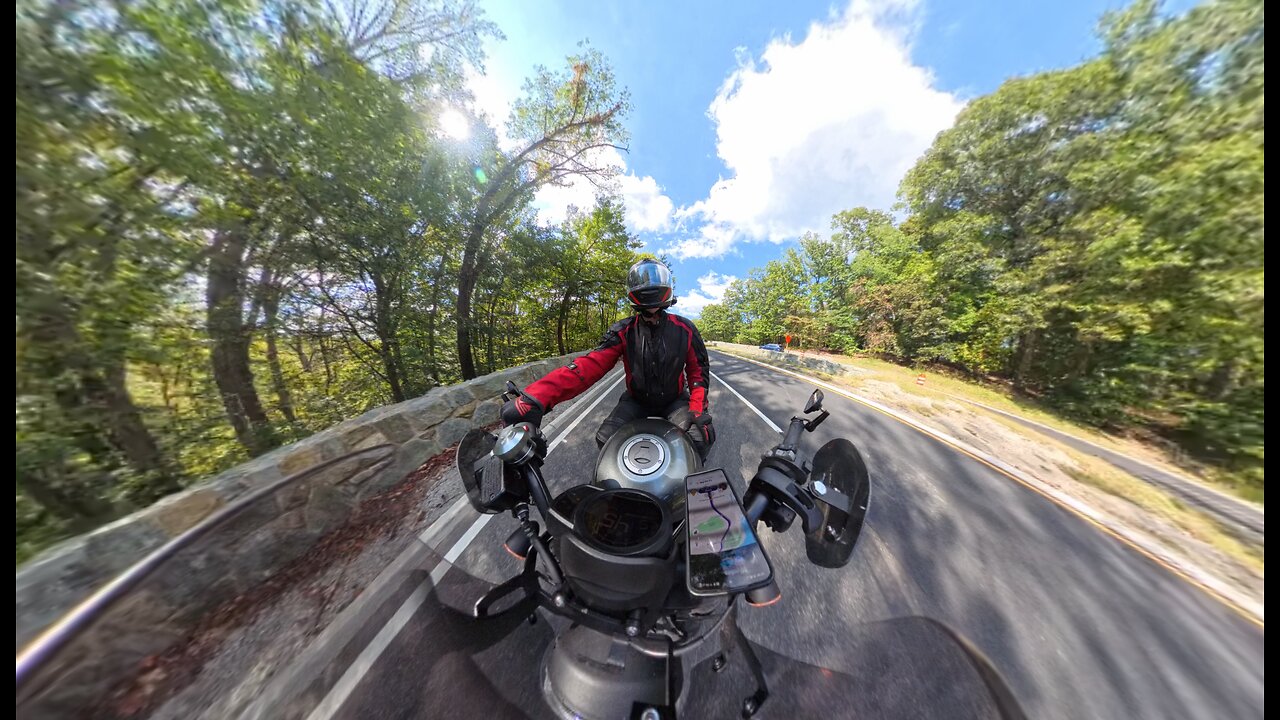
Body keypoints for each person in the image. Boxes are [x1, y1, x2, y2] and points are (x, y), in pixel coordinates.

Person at [501, 258, 716, 460]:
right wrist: (538, 397)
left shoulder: (685, 329)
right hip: (636, 401)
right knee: (604, 439)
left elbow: (698, 373)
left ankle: (695, 485)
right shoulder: (623, 331)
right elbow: (590, 365)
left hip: (674, 400)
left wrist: (697, 408)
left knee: (699, 438)